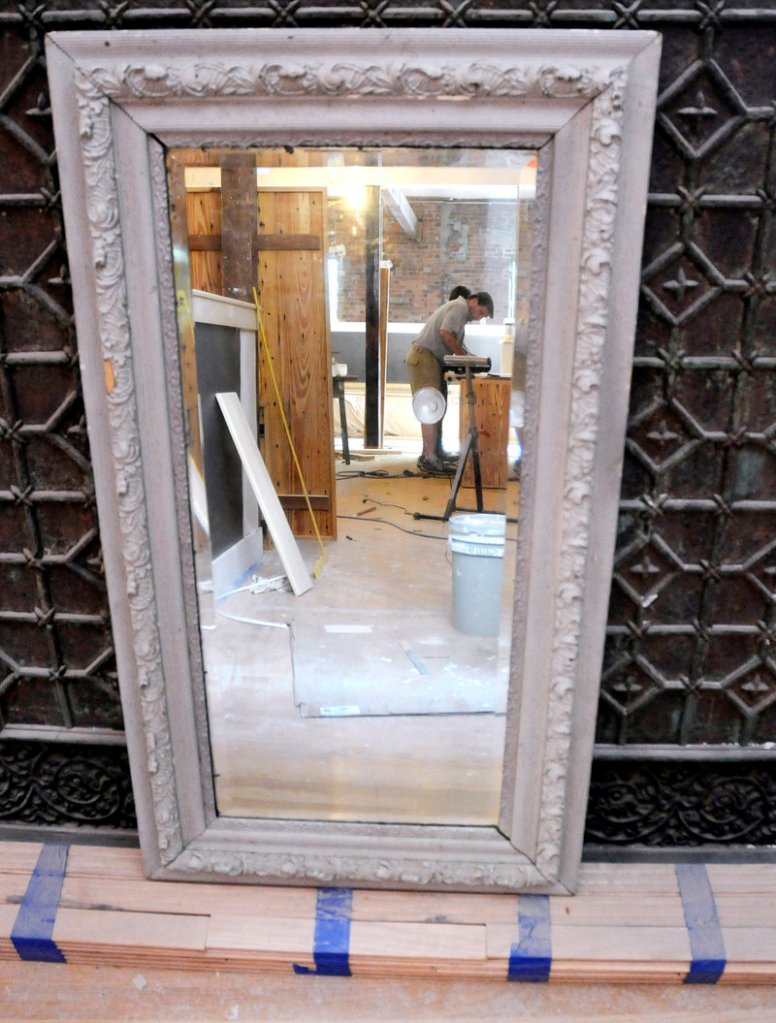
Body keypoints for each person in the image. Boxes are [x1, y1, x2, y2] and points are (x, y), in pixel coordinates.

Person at [405, 290, 494, 475]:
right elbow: (445, 334)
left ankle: (436, 451)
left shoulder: (460, 314)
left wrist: (469, 357)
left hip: (429, 358)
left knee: (438, 406)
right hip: (424, 357)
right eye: (481, 312)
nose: (479, 318)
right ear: (474, 301)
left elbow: (456, 342)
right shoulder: (460, 307)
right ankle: (429, 458)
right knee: (430, 407)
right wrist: (465, 358)